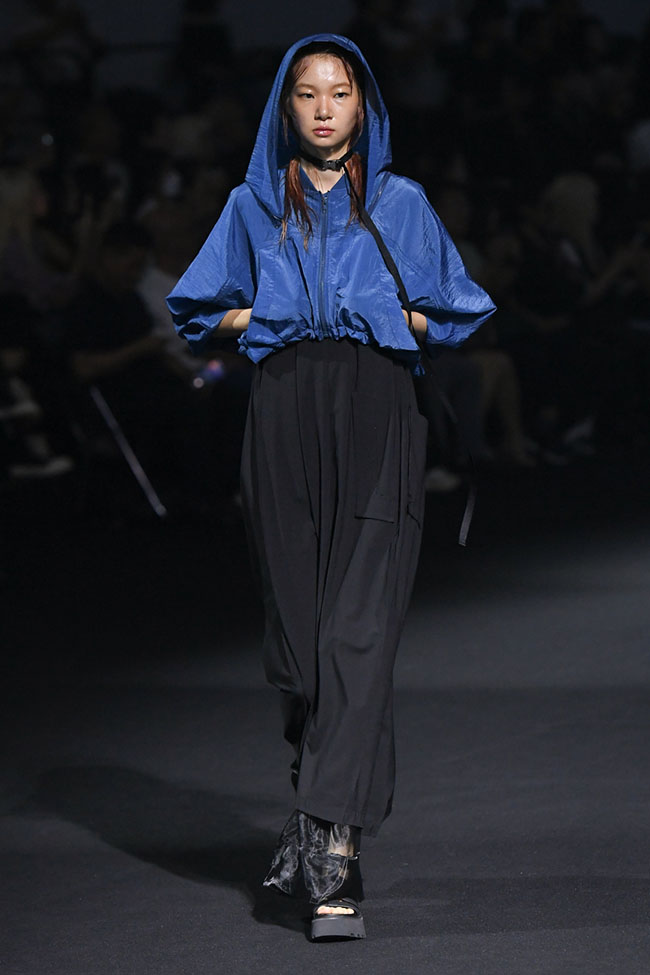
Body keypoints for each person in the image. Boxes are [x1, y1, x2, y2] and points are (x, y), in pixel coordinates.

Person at [167, 34, 494, 940]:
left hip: (378, 408)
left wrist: (390, 314)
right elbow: (194, 308)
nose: (322, 108)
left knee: (359, 633)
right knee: (301, 645)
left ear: (364, 106)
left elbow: (459, 310)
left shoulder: (400, 202)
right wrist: (265, 312)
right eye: (306, 93)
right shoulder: (252, 204)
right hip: (281, 407)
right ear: (286, 106)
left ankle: (331, 853)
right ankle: (319, 818)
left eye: (339, 92)